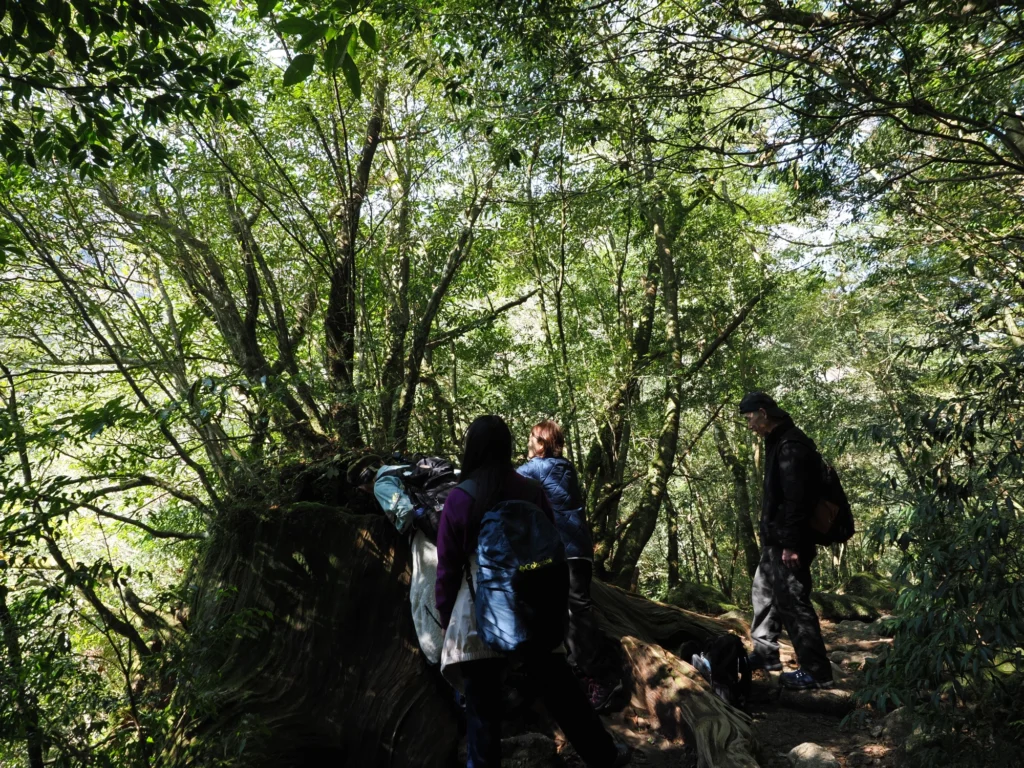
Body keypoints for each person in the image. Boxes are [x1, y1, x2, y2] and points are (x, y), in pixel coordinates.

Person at [435, 415, 631, 768]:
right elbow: (552, 552)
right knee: (564, 695)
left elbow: (447, 570)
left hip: (480, 614)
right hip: (532, 607)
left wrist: (445, 616)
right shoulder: (530, 490)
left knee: (482, 715)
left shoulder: (459, 499)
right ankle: (604, 756)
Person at [517, 419, 622, 711]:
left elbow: (507, 479)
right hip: (575, 550)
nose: (528, 444)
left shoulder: (540, 468)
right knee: (567, 615)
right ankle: (585, 675)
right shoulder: (563, 467)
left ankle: (604, 678)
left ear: (541, 443)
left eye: (531, 439)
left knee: (576, 616)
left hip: (567, 552)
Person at [739, 392, 834, 691]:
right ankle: (766, 655)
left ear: (763, 413)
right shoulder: (778, 440)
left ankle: (817, 672)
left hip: (791, 539)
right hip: (777, 537)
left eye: (750, 417)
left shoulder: (792, 444)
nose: (749, 425)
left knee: (793, 600)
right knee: (763, 592)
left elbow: (797, 501)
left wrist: (791, 544)